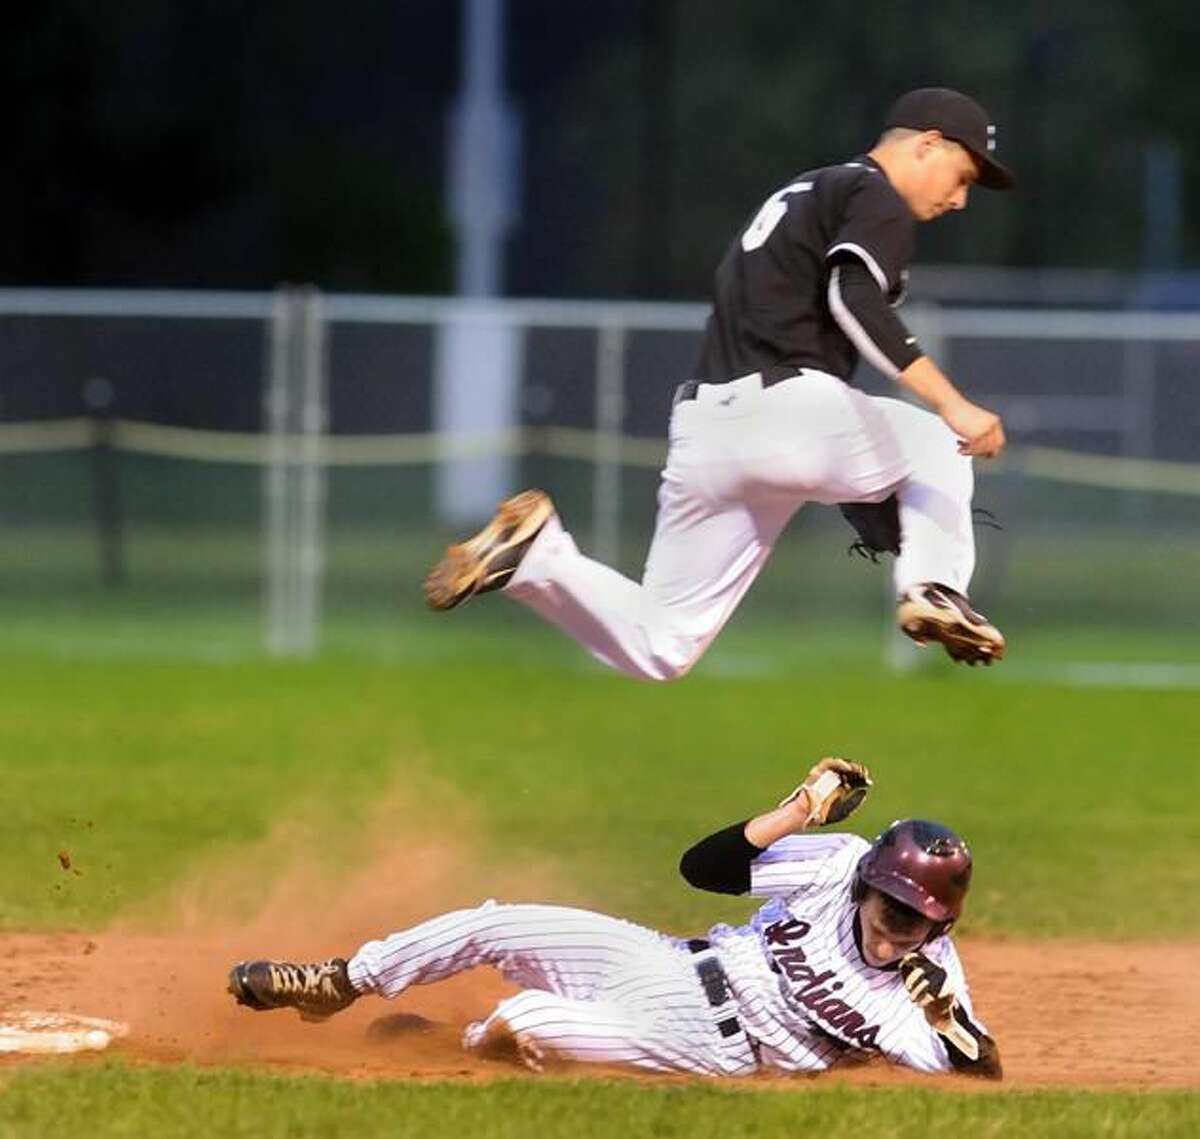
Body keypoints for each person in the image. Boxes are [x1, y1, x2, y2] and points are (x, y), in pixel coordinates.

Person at [424, 88, 1015, 678]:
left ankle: (536, 557)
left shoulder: (809, 191)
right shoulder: (874, 194)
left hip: (708, 427)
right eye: (960, 177)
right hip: (788, 410)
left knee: (663, 642)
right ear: (927, 144)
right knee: (942, 439)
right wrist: (952, 404)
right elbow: (852, 296)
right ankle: (934, 588)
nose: (960, 199)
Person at [227, 757, 1001, 1080]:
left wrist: (948, 1016)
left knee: (520, 1018)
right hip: (667, 959)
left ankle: (442, 1042)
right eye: (894, 904)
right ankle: (339, 979)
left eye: (922, 919)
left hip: (705, 1046)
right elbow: (704, 871)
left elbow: (980, 1073)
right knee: (499, 922)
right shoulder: (838, 866)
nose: (900, 925)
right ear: (870, 882)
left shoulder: (922, 989)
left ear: (941, 928)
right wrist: (797, 809)